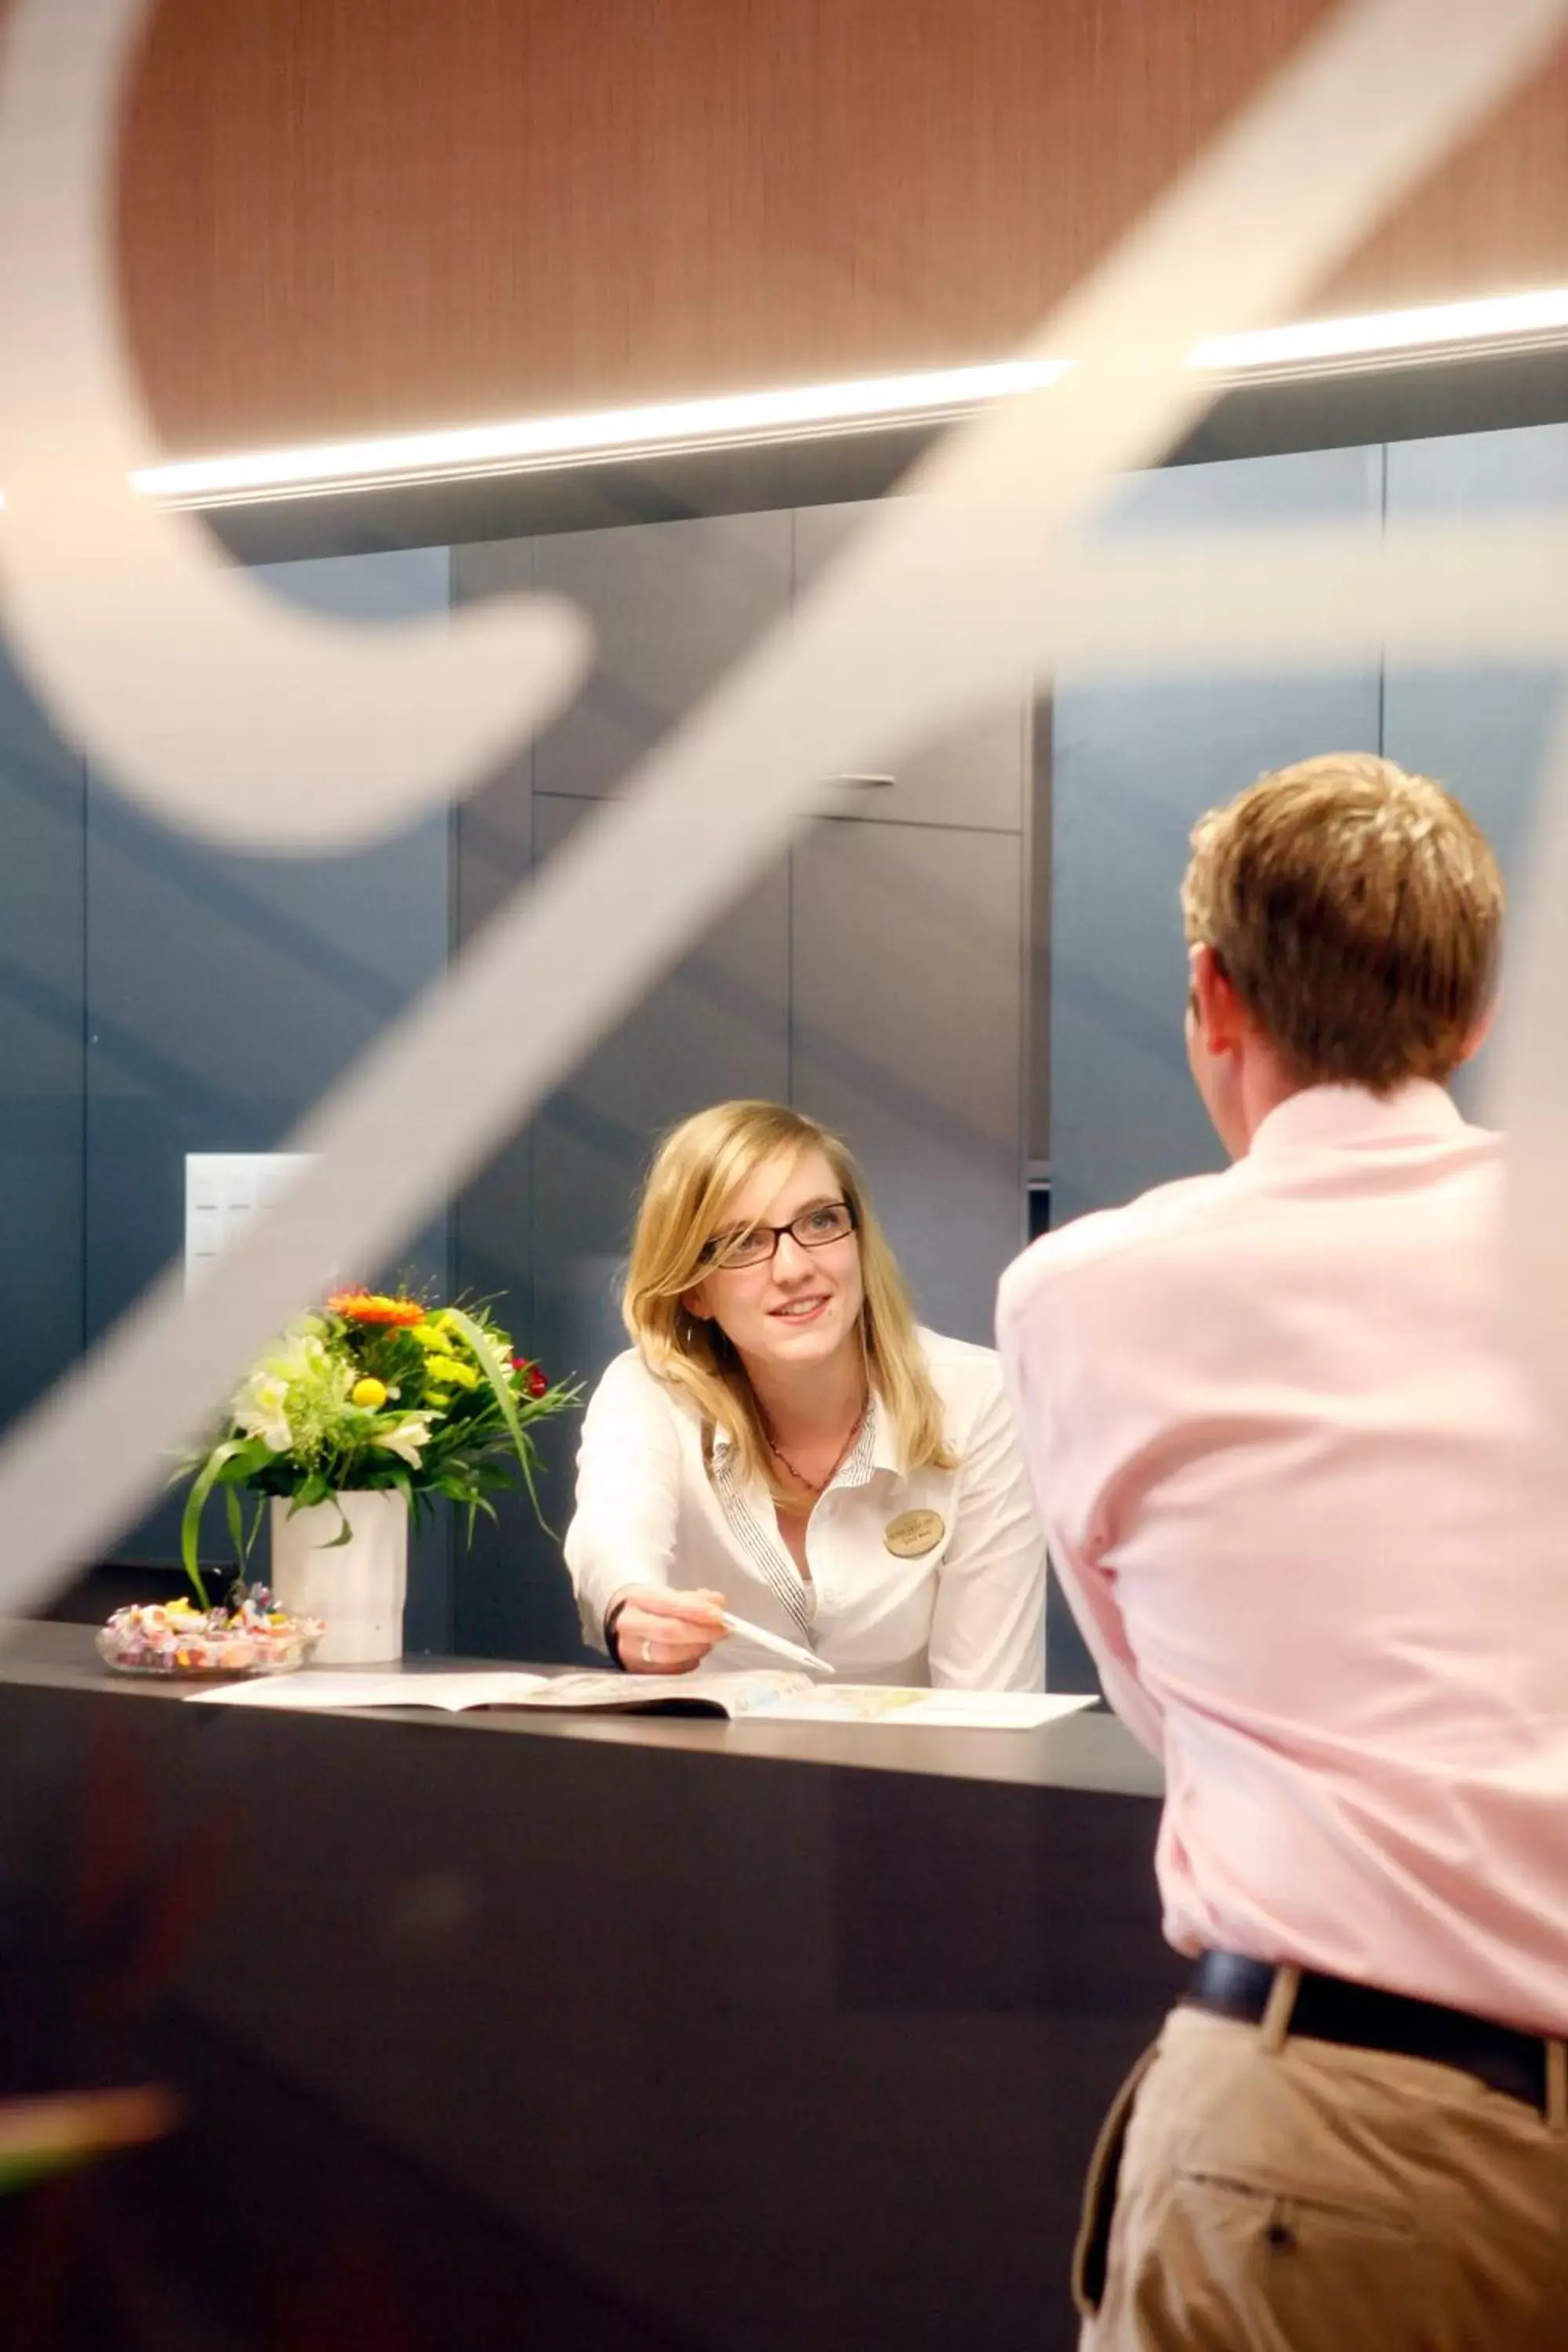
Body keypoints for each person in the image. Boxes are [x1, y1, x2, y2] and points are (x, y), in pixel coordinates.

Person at [996, 753, 1568, 2350]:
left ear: (1211, 998)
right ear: (1471, 1012)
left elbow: (1158, 1702)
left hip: (1331, 2144)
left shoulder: (1087, 1296)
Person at [564, 1098, 1045, 1685]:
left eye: (819, 1221)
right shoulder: (649, 1392)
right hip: (709, 1768)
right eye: (742, 1241)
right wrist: (632, 1607)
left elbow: (987, 1704)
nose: (793, 1268)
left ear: (858, 1240)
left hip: (917, 1771)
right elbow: (613, 1542)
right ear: (694, 1292)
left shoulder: (978, 1398)